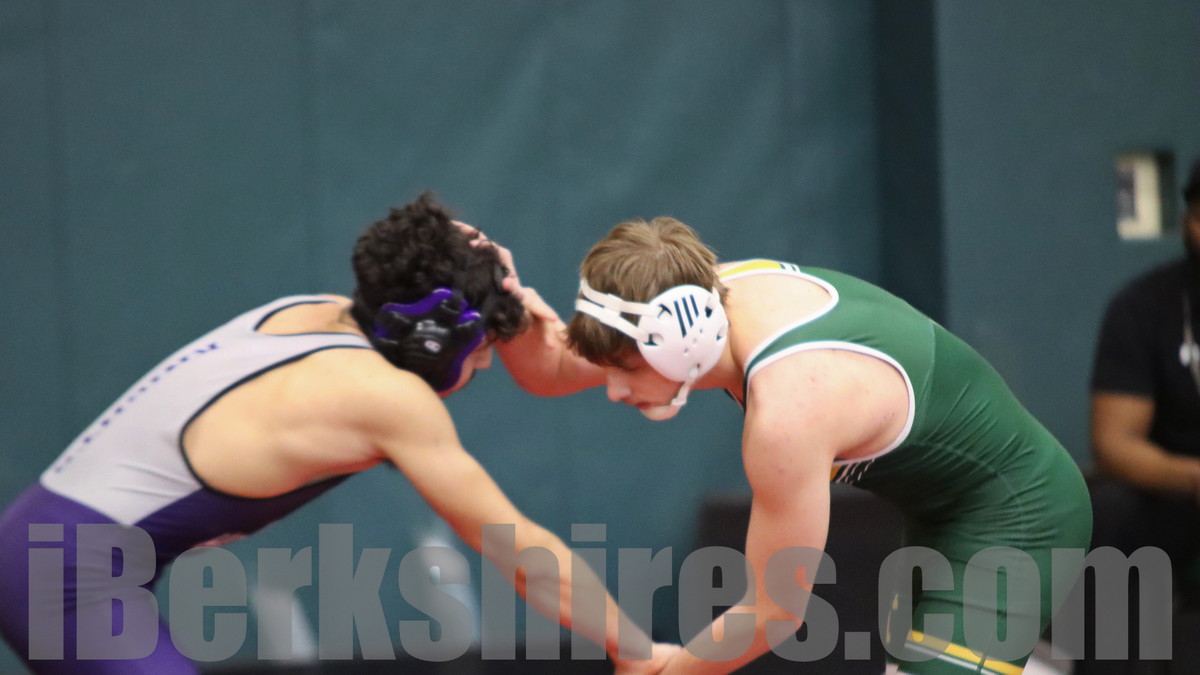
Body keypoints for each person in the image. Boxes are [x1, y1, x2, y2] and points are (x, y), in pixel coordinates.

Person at [0, 194, 675, 674]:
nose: (487, 364)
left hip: (46, 546)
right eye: (479, 351)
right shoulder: (386, 399)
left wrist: (496, 288)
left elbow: (526, 349)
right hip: (66, 579)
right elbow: (521, 551)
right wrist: (638, 651)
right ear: (434, 338)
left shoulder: (312, 313)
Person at [496, 217, 1093, 674]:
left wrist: (665, 671)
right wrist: (498, 306)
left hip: (1019, 513)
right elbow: (551, 371)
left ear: (681, 344)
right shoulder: (699, 298)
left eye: (625, 369)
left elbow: (774, 611)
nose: (613, 389)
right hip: (940, 509)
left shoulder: (789, 410)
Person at [1082, 157, 1200, 672]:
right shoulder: (1144, 306)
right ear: (1188, 222)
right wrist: (1194, 478)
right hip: (1179, 489)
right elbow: (1114, 442)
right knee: (1109, 513)